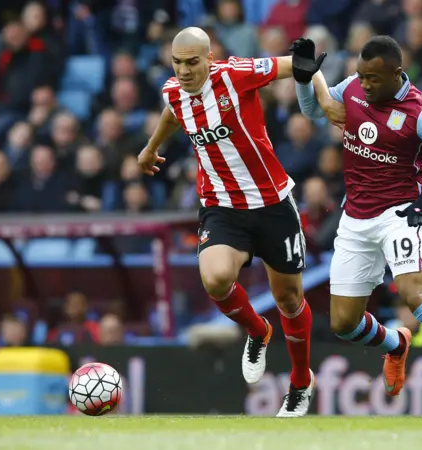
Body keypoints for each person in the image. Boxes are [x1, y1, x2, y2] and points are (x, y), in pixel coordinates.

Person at [292, 35, 422, 418]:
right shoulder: (352, 88)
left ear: (397, 74)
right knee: (343, 323)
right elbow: (313, 112)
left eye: (373, 78)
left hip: (400, 214)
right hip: (354, 218)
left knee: (415, 294)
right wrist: (305, 80)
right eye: (361, 76)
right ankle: (394, 345)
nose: (365, 84)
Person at [137, 27, 329, 417]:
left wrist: (318, 91)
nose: (185, 71)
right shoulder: (173, 90)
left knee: (290, 299)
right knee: (215, 279)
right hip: (222, 205)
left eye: (193, 62)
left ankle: (299, 381)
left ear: (210, 58)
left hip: (273, 202)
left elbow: (299, 65)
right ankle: (258, 330)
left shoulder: (234, 73)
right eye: (178, 63)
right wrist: (151, 147)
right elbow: (173, 113)